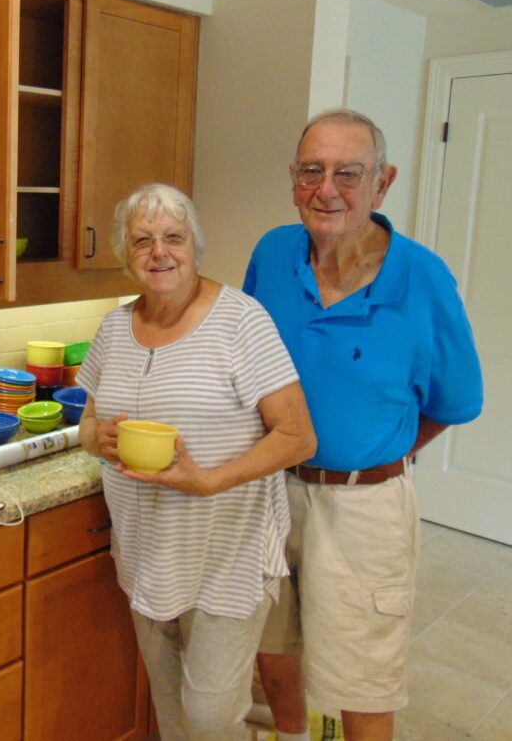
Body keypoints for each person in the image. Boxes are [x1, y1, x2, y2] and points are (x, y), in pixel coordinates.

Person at [243, 109, 484, 741]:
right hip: (269, 493)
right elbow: (244, 361)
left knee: (363, 675)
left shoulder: (423, 278)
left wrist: (376, 457)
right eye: (311, 171)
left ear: (383, 183)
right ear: (293, 179)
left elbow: (454, 402)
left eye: (348, 173)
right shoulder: (271, 255)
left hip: (364, 507)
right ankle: (293, 735)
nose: (327, 190)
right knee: (272, 643)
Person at [77, 183, 317, 740]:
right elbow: (87, 426)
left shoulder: (241, 320)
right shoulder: (115, 328)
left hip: (224, 553)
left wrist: (210, 481)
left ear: (195, 246)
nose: (159, 253)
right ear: (125, 253)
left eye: (173, 238)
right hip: (145, 553)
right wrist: (100, 439)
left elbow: (298, 436)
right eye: (143, 241)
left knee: (209, 716)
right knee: (171, 709)